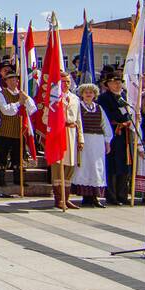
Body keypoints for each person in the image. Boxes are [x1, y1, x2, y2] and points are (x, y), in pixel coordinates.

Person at [72, 82, 112, 207]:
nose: (89, 94)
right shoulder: (79, 107)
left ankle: (95, 197)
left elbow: (105, 125)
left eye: (91, 92)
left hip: (97, 142)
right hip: (85, 140)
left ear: (95, 94)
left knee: (96, 168)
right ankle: (86, 196)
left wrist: (107, 141)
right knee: (84, 167)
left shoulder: (99, 108)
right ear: (82, 94)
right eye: (86, 92)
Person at [48, 72, 83, 210]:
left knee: (70, 167)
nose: (66, 84)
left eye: (68, 81)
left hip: (72, 133)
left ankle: (66, 197)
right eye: (63, 81)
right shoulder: (54, 98)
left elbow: (79, 119)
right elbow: (46, 117)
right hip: (59, 133)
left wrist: (81, 138)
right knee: (58, 168)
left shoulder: (75, 98)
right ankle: (58, 199)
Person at [0, 70, 36, 188]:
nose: (15, 82)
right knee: (2, 156)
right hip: (5, 130)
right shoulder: (1, 94)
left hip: (19, 131)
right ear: (6, 81)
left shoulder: (21, 94)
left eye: (16, 79)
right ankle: (1, 179)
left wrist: (26, 99)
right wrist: (19, 103)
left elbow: (32, 109)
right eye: (12, 79)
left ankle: (18, 179)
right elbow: (6, 110)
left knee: (18, 157)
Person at [98, 73, 133, 205]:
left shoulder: (123, 97)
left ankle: (122, 194)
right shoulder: (103, 98)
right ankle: (111, 195)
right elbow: (106, 116)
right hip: (111, 134)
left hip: (124, 135)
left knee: (124, 165)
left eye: (119, 82)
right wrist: (120, 123)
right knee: (112, 165)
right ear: (108, 84)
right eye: (114, 82)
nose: (118, 85)